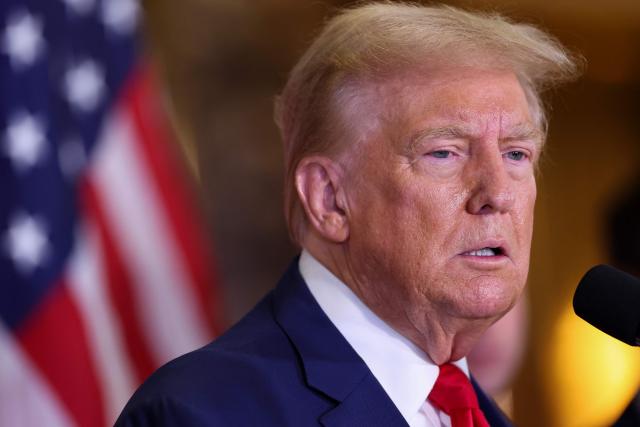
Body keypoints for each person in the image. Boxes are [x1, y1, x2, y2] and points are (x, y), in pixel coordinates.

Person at [115, 2, 578, 426]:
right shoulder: (203, 414)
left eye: (517, 154)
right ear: (329, 199)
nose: (497, 192)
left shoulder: (478, 414)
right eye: (444, 153)